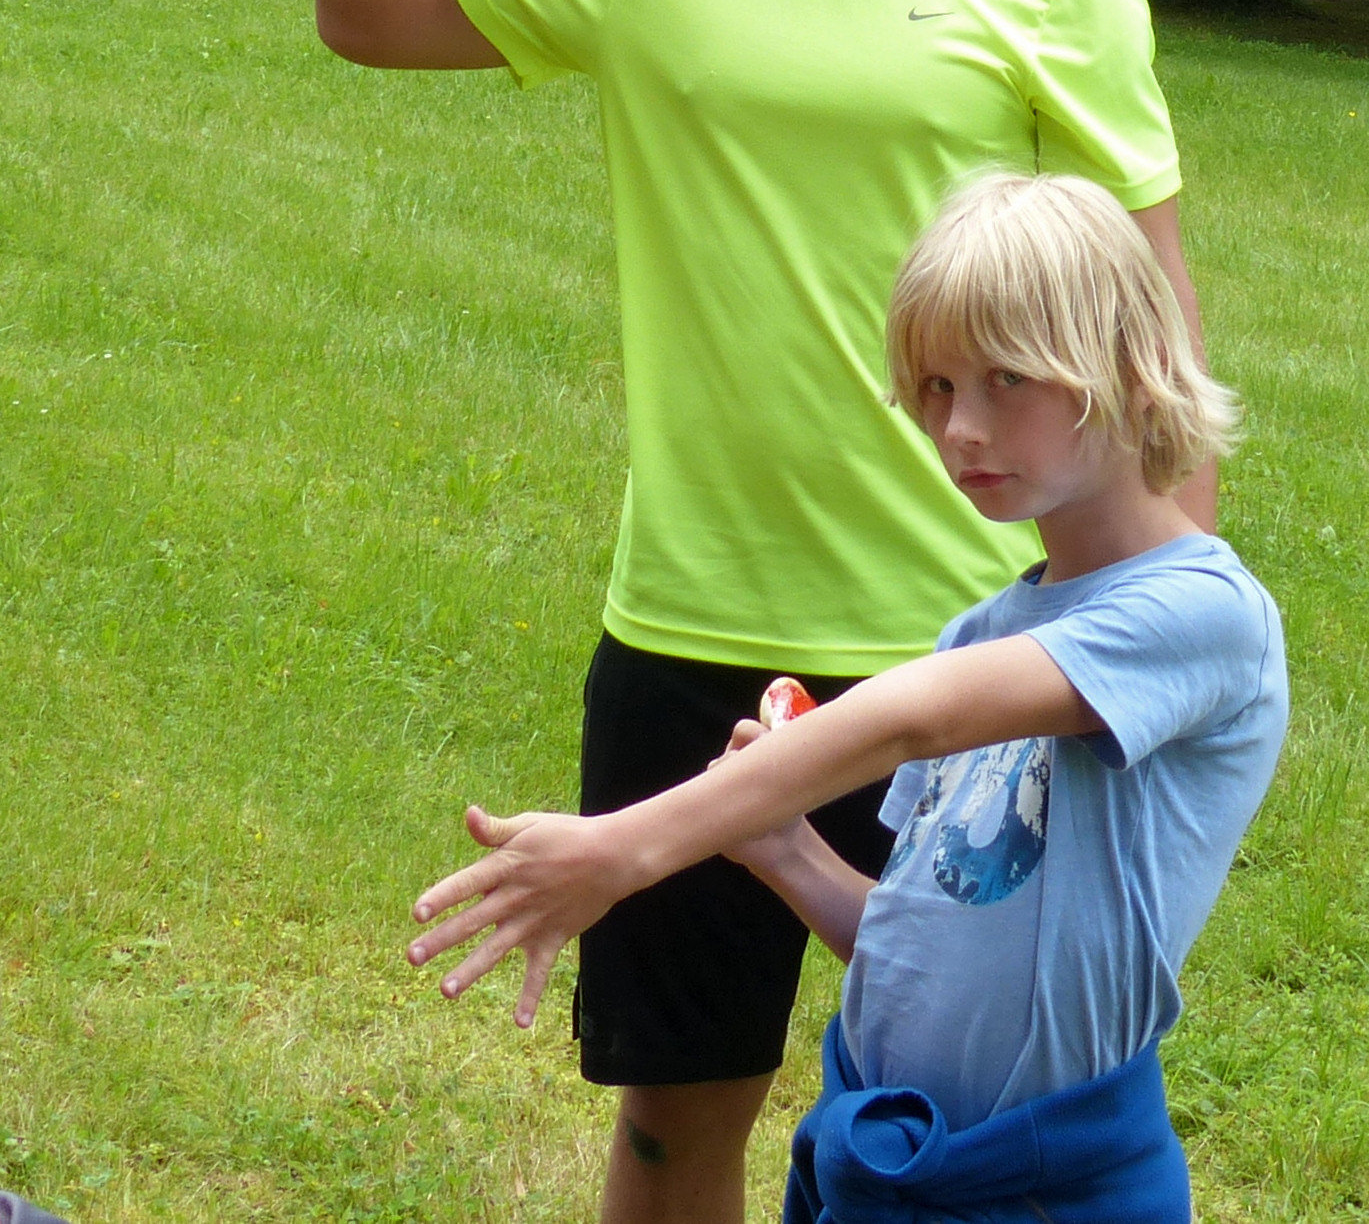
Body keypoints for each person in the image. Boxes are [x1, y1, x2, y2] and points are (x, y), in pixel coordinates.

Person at [304, 0, 1213, 1223]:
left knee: (968, 1124)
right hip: (691, 628)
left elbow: (1149, 342)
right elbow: (372, 8)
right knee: (672, 1122)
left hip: (966, 645)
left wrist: (1158, 653)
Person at [406, 172, 1288, 1224]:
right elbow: (918, 940)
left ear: (1130, 367)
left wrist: (620, 849)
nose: (960, 428)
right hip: (882, 1161)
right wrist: (786, 849)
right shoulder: (983, 633)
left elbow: (915, 716)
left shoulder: (1202, 612)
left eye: (1006, 378)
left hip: (1049, 1184)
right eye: (937, 386)